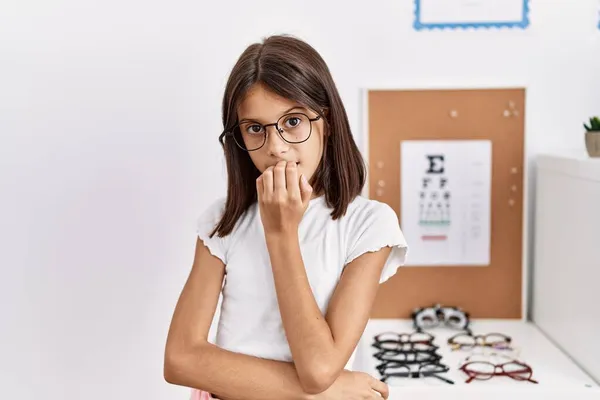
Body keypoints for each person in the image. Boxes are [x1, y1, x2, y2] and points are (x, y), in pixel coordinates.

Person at [163, 34, 409, 400]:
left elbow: (318, 369)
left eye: (293, 121)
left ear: (326, 120)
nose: (276, 148)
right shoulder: (221, 222)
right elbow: (180, 359)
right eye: (256, 128)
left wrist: (281, 234)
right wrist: (330, 391)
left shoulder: (368, 226)